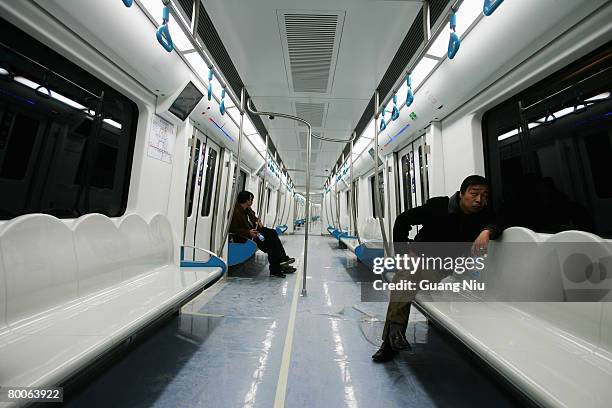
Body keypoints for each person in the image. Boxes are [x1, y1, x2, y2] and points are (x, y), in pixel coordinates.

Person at [372, 175, 501, 362]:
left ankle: (391, 339)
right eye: (474, 194)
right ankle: (393, 338)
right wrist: (404, 251)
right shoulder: (438, 207)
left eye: (484, 195)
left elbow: (501, 219)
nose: (479, 200)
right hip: (415, 261)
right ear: (461, 193)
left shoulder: (483, 215)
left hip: (438, 269)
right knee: (407, 273)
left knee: (405, 279)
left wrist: (487, 231)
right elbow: (402, 220)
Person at [230, 191, 295, 278]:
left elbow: (254, 218)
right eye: (251, 200)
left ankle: (279, 264)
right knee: (270, 244)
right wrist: (248, 232)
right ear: (247, 200)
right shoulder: (235, 212)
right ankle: (280, 264)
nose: (252, 202)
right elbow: (233, 229)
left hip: (256, 232)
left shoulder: (248, 210)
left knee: (272, 234)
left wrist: (258, 221)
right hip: (246, 236)